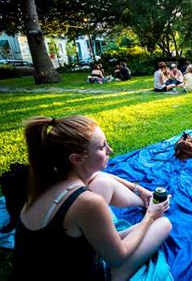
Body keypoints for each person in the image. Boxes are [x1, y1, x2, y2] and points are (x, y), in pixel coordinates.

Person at [14, 116, 172, 280]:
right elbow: (118, 258)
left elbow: (98, 175)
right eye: (102, 147)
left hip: (55, 264)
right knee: (163, 223)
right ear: (77, 159)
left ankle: (144, 204)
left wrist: (139, 189)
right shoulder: (88, 203)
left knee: (102, 181)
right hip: (92, 272)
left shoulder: (49, 180)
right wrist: (150, 216)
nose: (110, 150)